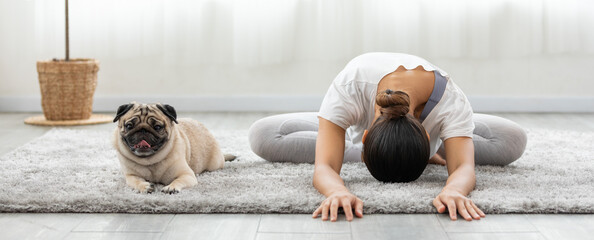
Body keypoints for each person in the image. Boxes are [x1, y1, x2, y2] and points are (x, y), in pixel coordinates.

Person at [248, 52, 527, 221]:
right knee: (264, 134)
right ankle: (350, 145)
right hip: (350, 122)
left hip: (429, 132)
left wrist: (454, 189)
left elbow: (464, 169)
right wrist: (337, 191)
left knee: (511, 139)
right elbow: (323, 170)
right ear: (366, 136)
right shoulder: (351, 84)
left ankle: (422, 147)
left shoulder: (452, 102)